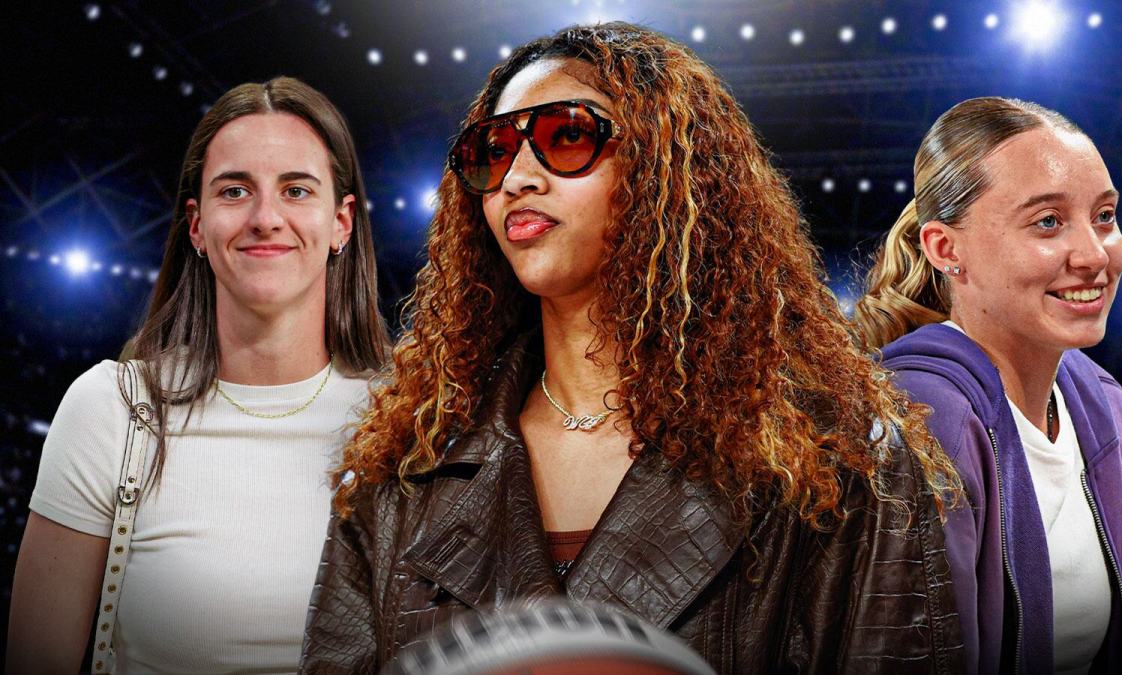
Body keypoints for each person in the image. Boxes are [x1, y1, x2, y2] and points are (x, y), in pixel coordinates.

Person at [301, 22, 963, 674]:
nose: (517, 177)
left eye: (567, 137)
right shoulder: (399, 471)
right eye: (493, 150)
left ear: (667, 172)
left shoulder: (840, 457)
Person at [7, 76, 391, 673]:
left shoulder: (407, 415)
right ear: (196, 226)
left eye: (296, 190)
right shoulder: (111, 410)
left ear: (341, 222)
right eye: (235, 191)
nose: (266, 217)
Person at [855, 97, 1122, 674]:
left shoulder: (1108, 407)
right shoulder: (921, 418)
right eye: (1047, 222)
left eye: (1105, 216)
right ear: (946, 249)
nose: (1094, 255)